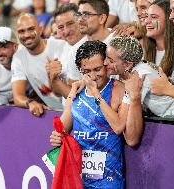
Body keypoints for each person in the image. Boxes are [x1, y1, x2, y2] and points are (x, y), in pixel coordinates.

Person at [50, 40, 129, 188]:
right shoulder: (77, 91)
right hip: (79, 177)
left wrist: (96, 94)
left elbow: (118, 128)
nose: (92, 76)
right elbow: (62, 128)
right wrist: (57, 137)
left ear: (106, 64)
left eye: (97, 69)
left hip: (108, 178)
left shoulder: (118, 89)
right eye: (86, 71)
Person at [105, 35, 174, 117]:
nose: (105, 63)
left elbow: (126, 112)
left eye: (111, 61)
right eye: (106, 57)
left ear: (127, 65)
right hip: (171, 117)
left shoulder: (142, 75)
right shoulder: (118, 72)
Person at [12, 13, 67, 116]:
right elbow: (17, 96)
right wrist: (30, 102)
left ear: (41, 29)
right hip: (52, 114)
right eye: (21, 31)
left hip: (75, 110)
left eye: (31, 29)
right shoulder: (18, 57)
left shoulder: (61, 47)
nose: (27, 34)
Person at [46, 3, 84, 99]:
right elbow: (57, 93)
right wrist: (53, 77)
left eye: (70, 24)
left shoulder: (92, 44)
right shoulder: (59, 49)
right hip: (66, 108)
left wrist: (56, 80)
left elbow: (76, 97)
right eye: (61, 27)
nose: (66, 31)